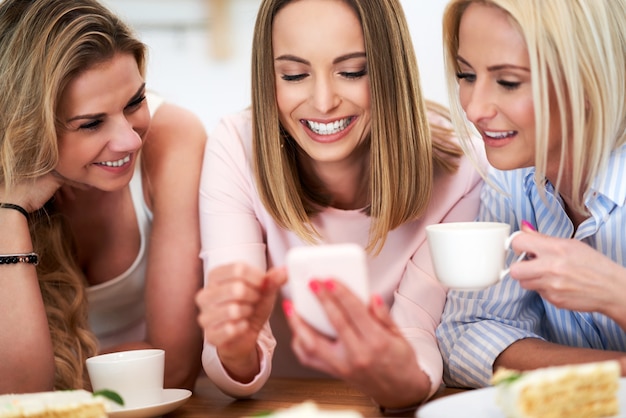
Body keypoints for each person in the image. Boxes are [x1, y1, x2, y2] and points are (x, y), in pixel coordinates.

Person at [195, 0, 485, 410]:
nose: (324, 101)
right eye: (294, 75)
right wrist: (236, 345)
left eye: (351, 72)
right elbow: (231, 364)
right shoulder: (237, 148)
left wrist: (400, 383)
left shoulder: (462, 166)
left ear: (389, 69)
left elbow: (416, 332)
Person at [0, 0, 206, 393]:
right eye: (92, 123)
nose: (130, 139)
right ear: (25, 127)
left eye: (135, 102)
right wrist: (10, 210)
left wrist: (56, 387)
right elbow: (17, 395)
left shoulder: (172, 138)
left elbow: (173, 369)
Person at [436, 0, 626, 389]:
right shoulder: (511, 183)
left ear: (589, 80)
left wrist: (615, 293)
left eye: (508, 82)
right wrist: (614, 372)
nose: (473, 108)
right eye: (466, 74)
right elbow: (467, 334)